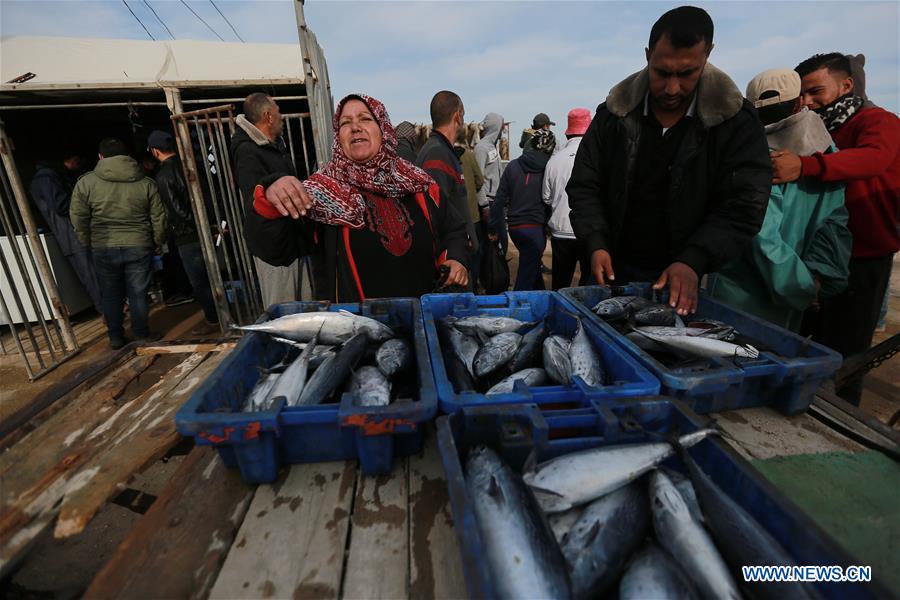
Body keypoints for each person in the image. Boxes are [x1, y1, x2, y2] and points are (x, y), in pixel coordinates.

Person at [567, 5, 770, 316]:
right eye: (662, 72)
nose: (672, 88)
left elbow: (743, 205)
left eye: (687, 73)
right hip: (608, 273)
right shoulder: (613, 115)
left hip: (681, 281)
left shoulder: (735, 122)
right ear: (648, 56)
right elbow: (584, 185)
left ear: (708, 55)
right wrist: (595, 242)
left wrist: (694, 259)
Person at [248, 93, 469, 301]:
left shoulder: (418, 183)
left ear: (383, 129)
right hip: (358, 330)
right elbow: (275, 250)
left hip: (423, 322)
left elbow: (454, 229)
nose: (355, 128)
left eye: (365, 119)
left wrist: (455, 258)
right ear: (338, 136)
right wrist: (269, 196)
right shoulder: (318, 193)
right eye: (345, 123)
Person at [771, 52, 899, 404]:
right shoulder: (815, 128)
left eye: (816, 91)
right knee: (804, 345)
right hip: (816, 257)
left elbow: (874, 158)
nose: (809, 102)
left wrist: (806, 166)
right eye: (804, 96)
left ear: (846, 85)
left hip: (863, 257)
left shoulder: (879, 121)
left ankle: (841, 425)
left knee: (844, 357)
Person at [706, 68, 851, 332]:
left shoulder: (749, 154)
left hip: (741, 299)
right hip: (794, 299)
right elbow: (834, 223)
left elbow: (761, 236)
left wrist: (801, 287)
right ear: (799, 103)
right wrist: (814, 281)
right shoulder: (825, 153)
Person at [70, 138, 166, 348]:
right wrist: (157, 241)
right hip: (139, 244)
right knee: (138, 292)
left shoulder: (86, 183)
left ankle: (115, 337)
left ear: (101, 157)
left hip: (104, 246)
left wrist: (86, 240)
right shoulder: (146, 182)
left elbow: (78, 216)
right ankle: (141, 334)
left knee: (111, 294)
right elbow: (158, 216)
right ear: (128, 157)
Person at [231, 92, 309, 308]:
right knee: (284, 315)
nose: (281, 116)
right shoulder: (248, 152)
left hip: (292, 244)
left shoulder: (273, 147)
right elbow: (256, 197)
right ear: (268, 116)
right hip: (275, 251)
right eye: (278, 111)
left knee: (304, 312)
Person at [147, 130, 220, 335]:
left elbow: (177, 211)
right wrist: (211, 224)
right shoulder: (190, 167)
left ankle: (214, 320)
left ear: (155, 151)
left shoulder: (163, 176)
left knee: (199, 281)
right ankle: (222, 314)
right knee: (213, 277)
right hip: (206, 229)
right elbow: (208, 196)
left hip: (188, 236)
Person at [30, 151, 102, 313]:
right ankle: (108, 312)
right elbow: (61, 206)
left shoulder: (47, 177)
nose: (79, 163)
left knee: (91, 275)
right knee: (92, 276)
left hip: (70, 234)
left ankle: (109, 311)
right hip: (72, 234)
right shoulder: (48, 178)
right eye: (77, 159)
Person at [416, 91, 478, 275]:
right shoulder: (437, 155)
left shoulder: (443, 151)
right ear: (457, 116)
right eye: (463, 115)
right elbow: (434, 215)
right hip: (450, 268)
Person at [491, 129, 555, 291]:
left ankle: (541, 305)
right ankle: (515, 314)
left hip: (515, 230)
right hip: (535, 231)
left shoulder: (513, 166)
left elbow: (499, 200)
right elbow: (551, 200)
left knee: (532, 271)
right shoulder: (548, 168)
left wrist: (492, 227)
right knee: (525, 280)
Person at [542, 108, 593, 290]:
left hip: (561, 232)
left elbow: (546, 198)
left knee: (560, 284)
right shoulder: (596, 158)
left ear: (568, 133)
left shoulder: (554, 160)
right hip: (588, 232)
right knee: (588, 285)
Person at [455, 127, 486, 290]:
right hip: (472, 215)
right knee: (475, 251)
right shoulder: (469, 155)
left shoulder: (445, 155)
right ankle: (474, 284)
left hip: (453, 217)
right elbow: (480, 180)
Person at [475, 113, 507, 254]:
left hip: (496, 202)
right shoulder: (481, 149)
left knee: (500, 244)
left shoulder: (493, 147)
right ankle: (488, 276)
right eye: (501, 126)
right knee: (489, 247)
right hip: (489, 203)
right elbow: (478, 179)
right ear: (496, 127)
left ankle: (496, 275)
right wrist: (484, 206)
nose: (503, 130)